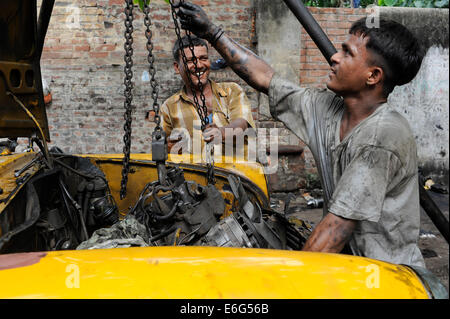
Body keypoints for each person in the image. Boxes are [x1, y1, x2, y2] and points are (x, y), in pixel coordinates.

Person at [176, 2, 426, 267]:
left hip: (388, 276)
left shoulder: (382, 136)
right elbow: (265, 78)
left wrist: (291, 281)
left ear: (373, 76)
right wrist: (212, 33)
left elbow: (334, 230)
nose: (334, 57)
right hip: (349, 265)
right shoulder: (327, 108)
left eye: (347, 53)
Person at [160, 35, 256, 159]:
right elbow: (164, 145)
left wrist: (220, 132)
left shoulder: (231, 90)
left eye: (203, 58)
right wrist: (168, 147)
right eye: (190, 61)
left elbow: (242, 124)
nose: (199, 65)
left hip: (236, 174)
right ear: (177, 67)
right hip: (195, 176)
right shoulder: (169, 107)